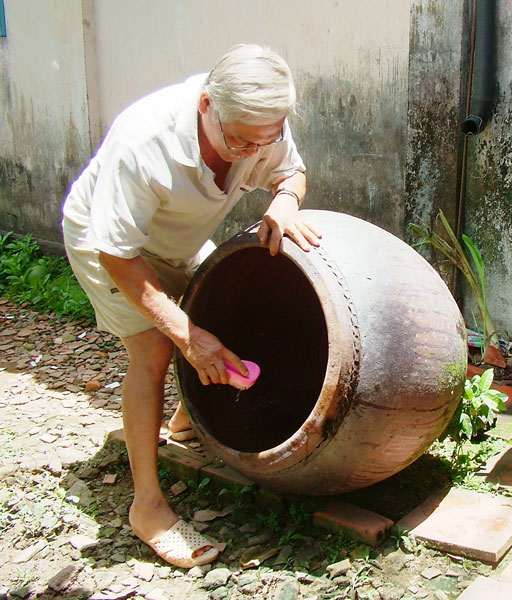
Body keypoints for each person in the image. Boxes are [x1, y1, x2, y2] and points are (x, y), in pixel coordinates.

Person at [61, 44, 321, 568]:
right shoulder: (144, 141)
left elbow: (291, 172)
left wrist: (284, 200)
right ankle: (148, 506)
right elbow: (117, 254)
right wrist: (185, 334)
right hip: (109, 246)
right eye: (240, 141)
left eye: (264, 140)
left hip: (175, 241)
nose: (252, 152)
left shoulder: (259, 120)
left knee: (227, 309)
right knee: (156, 350)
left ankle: (185, 423)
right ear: (206, 104)